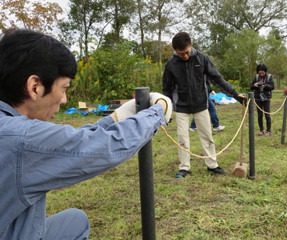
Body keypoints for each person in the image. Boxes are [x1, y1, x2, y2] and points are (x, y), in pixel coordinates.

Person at [0, 29, 172, 240]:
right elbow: (102, 147)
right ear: (34, 86)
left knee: (75, 221)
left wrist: (115, 118)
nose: (64, 100)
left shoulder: (8, 127)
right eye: (64, 88)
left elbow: (70, 142)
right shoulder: (19, 139)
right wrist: (159, 111)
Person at [162, 32, 246, 178]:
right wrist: (166, 113)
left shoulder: (202, 58)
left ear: (191, 45)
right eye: (181, 54)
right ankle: (184, 167)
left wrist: (234, 94)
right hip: (181, 107)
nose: (185, 56)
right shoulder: (171, 65)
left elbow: (217, 79)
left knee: (207, 136)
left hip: (201, 104)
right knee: (182, 138)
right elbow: (167, 90)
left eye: (187, 52)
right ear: (175, 51)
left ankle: (212, 165)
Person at [250, 64, 275, 136]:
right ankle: (261, 130)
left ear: (265, 71)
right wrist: (254, 85)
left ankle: (268, 130)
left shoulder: (269, 77)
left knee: (267, 115)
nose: (261, 74)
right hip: (258, 98)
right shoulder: (256, 77)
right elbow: (251, 87)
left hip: (266, 98)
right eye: (259, 72)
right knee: (259, 115)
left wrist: (265, 86)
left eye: (262, 72)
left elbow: (272, 86)